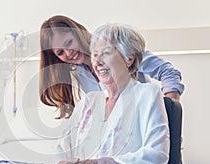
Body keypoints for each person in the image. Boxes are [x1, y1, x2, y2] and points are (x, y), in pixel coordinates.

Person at [35, 23, 170, 164]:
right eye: (95, 55)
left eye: (105, 53)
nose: (97, 62)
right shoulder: (89, 101)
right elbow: (60, 149)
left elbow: (156, 155)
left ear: (129, 58)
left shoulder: (147, 95)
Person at [39, 15, 184, 119]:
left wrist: (170, 111)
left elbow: (168, 72)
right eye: (60, 52)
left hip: (146, 126)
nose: (68, 53)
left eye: (69, 42)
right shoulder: (80, 72)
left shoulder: (116, 46)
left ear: (78, 34)